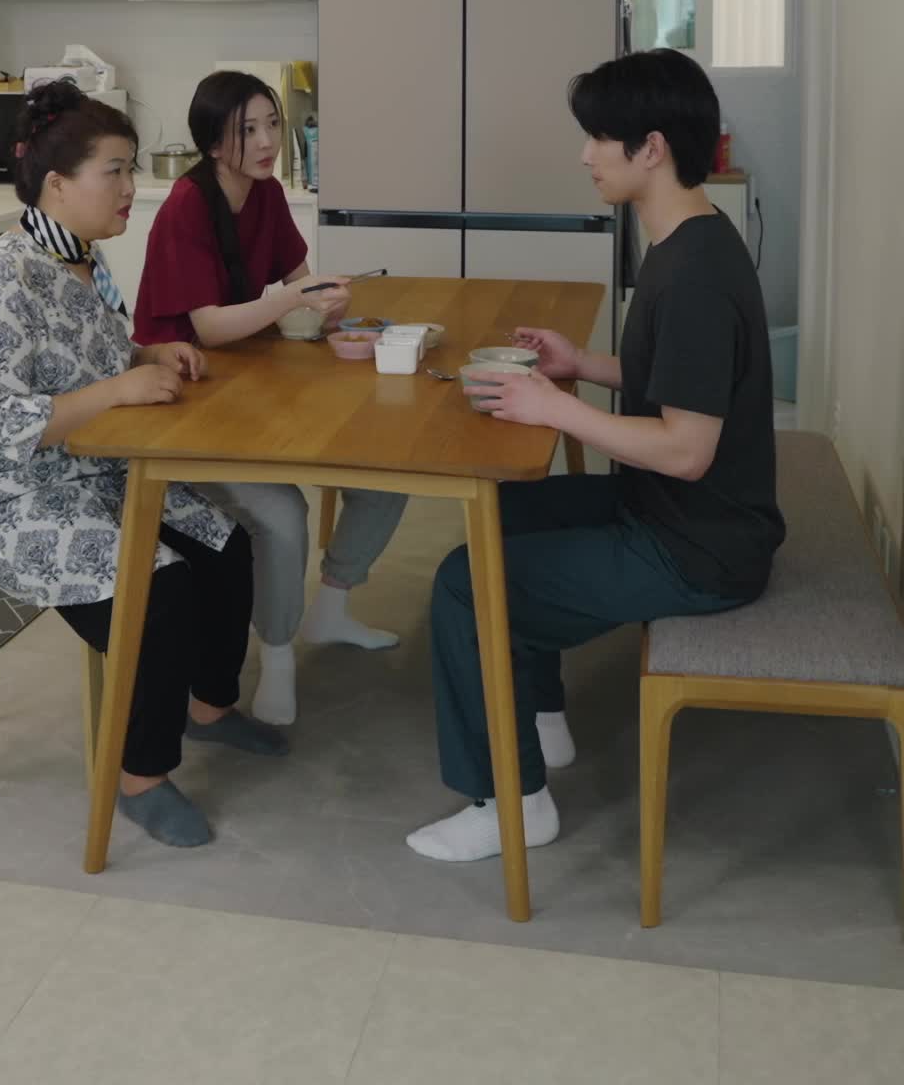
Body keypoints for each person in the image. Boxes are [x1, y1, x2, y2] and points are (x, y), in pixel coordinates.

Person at [408, 48, 785, 864]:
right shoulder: (689, 239)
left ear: (651, 148)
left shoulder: (692, 275)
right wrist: (582, 365)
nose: (585, 155)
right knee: (501, 515)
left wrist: (558, 408)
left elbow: (686, 449)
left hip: (698, 548)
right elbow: (683, 384)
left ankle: (510, 805)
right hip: (676, 512)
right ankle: (540, 717)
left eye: (599, 138)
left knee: (465, 587)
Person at [0, 79, 287, 854]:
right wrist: (118, 389)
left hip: (93, 469)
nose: (131, 188)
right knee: (158, 589)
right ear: (58, 184)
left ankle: (210, 708)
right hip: (7, 495)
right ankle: (141, 779)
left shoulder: (81, 261)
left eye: (131, 169)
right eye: (115, 172)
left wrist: (145, 355)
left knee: (225, 544)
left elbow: (91, 357)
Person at [133, 70, 408, 726]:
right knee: (281, 513)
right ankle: (278, 657)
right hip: (181, 398)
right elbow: (208, 327)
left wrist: (325, 299)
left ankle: (332, 607)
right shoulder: (186, 207)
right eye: (247, 130)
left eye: (272, 125)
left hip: (248, 382)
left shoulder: (268, 193)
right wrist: (290, 300)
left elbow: (298, 282)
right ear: (212, 141)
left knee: (387, 469)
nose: (266, 142)